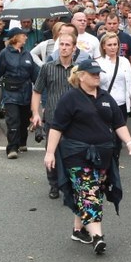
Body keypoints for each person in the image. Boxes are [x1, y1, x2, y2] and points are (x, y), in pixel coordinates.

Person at [44, 59, 131, 255]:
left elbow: (118, 123)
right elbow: (57, 127)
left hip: (102, 156)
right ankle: (97, 236)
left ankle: (78, 230)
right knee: (90, 193)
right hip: (77, 155)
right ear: (81, 76)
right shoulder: (70, 98)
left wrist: (129, 142)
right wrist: (50, 153)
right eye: (93, 73)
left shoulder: (105, 97)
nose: (97, 75)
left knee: (92, 190)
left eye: (98, 73)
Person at [32, 32, 79, 199]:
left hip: (74, 121)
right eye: (62, 44)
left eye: (67, 45)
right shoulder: (47, 67)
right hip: (52, 119)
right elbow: (37, 91)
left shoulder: (79, 70)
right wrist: (35, 113)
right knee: (51, 153)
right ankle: (53, 185)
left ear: (74, 48)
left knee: (72, 155)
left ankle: (70, 185)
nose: (64, 48)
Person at [0, 28, 39, 159]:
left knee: (23, 120)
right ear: (15, 37)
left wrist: (43, 85)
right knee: (13, 120)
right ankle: (12, 148)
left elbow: (35, 74)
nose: (26, 38)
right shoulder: (5, 54)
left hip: (26, 92)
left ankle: (22, 142)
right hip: (10, 92)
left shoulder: (27, 54)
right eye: (24, 35)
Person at [97, 32, 131, 119]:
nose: (113, 47)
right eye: (109, 45)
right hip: (105, 104)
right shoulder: (98, 63)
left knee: (121, 130)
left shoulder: (124, 61)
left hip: (122, 104)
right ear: (103, 46)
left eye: (115, 44)